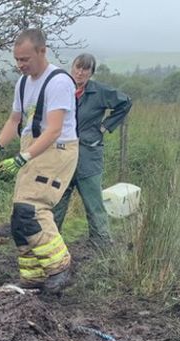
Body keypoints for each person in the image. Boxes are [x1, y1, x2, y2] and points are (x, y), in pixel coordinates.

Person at [0, 28, 78, 292]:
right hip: (32, 147)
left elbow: (54, 128)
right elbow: (15, 120)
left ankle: (60, 267)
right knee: (19, 218)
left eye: (25, 59)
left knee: (32, 209)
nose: (20, 65)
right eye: (17, 60)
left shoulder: (58, 82)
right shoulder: (23, 83)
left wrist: (23, 158)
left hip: (56, 149)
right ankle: (34, 276)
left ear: (41, 51)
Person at [52, 53, 132, 247]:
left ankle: (101, 243)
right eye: (78, 67)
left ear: (91, 72)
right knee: (57, 200)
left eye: (85, 69)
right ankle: (52, 242)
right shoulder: (63, 89)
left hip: (88, 154)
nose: (80, 72)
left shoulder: (99, 91)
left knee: (93, 201)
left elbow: (125, 102)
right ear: (72, 68)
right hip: (62, 154)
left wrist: (105, 126)